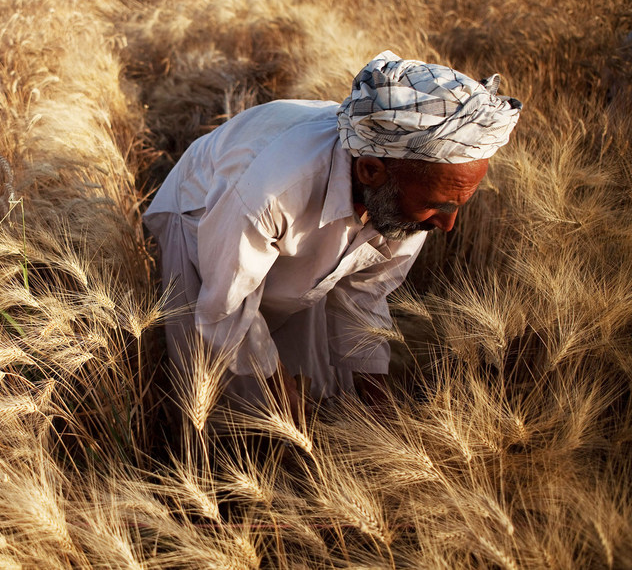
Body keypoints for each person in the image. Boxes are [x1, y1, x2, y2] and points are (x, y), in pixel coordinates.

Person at [143, 51, 522, 415]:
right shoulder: (270, 192)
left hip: (284, 214)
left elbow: (365, 295)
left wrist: (379, 405)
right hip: (202, 213)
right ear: (370, 172)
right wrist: (281, 395)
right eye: (438, 207)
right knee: (220, 379)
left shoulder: (410, 194)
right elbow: (228, 303)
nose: (446, 224)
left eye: (456, 207)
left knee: (315, 376)